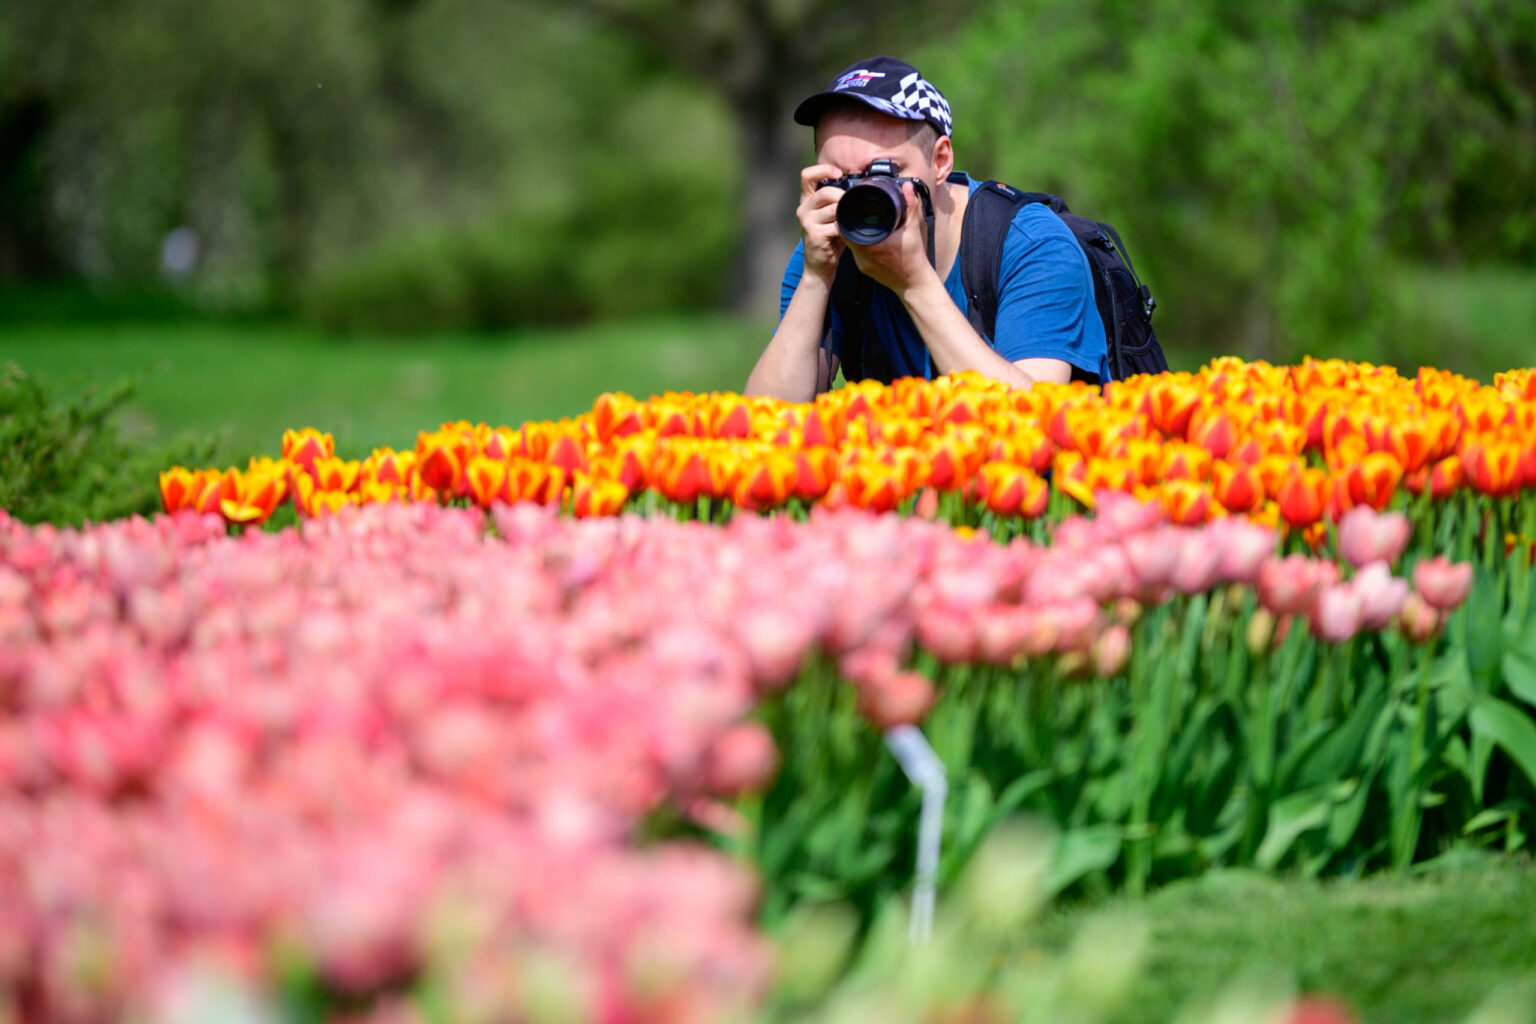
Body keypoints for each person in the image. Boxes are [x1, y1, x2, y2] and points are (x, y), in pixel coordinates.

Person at [744, 56, 1109, 403]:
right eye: (839, 178)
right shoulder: (827, 249)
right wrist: (815, 278)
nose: (861, 197)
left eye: (882, 173)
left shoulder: (1031, 245)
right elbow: (766, 424)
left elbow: (1032, 424)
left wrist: (915, 284)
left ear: (940, 161)